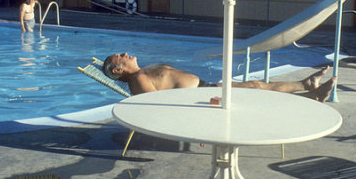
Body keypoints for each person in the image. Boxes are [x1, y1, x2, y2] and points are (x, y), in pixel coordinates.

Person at [103, 52, 336, 102]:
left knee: (256, 86)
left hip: (205, 89)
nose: (125, 53)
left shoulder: (143, 72)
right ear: (117, 70)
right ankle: (310, 94)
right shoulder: (138, 80)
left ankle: (307, 85)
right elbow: (158, 105)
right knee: (256, 91)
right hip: (202, 99)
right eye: (119, 56)